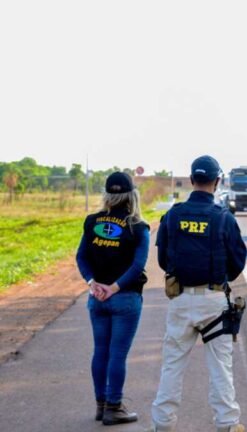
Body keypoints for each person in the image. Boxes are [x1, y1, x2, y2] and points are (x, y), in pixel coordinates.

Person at [148, 155, 247, 432]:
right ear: (217, 182)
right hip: (214, 301)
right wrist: (218, 279)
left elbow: (161, 260)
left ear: (192, 180)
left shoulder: (173, 215)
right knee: (220, 368)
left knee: (172, 366)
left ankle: (163, 424)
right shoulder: (223, 218)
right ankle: (227, 424)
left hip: (180, 300)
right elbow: (238, 260)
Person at [76, 171, 150, 425]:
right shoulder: (138, 227)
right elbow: (138, 265)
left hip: (97, 298)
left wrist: (92, 283)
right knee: (117, 354)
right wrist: (115, 287)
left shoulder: (91, 221)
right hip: (125, 298)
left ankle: (100, 405)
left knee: (101, 351)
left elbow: (81, 257)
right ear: (132, 195)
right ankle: (114, 407)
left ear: (106, 194)